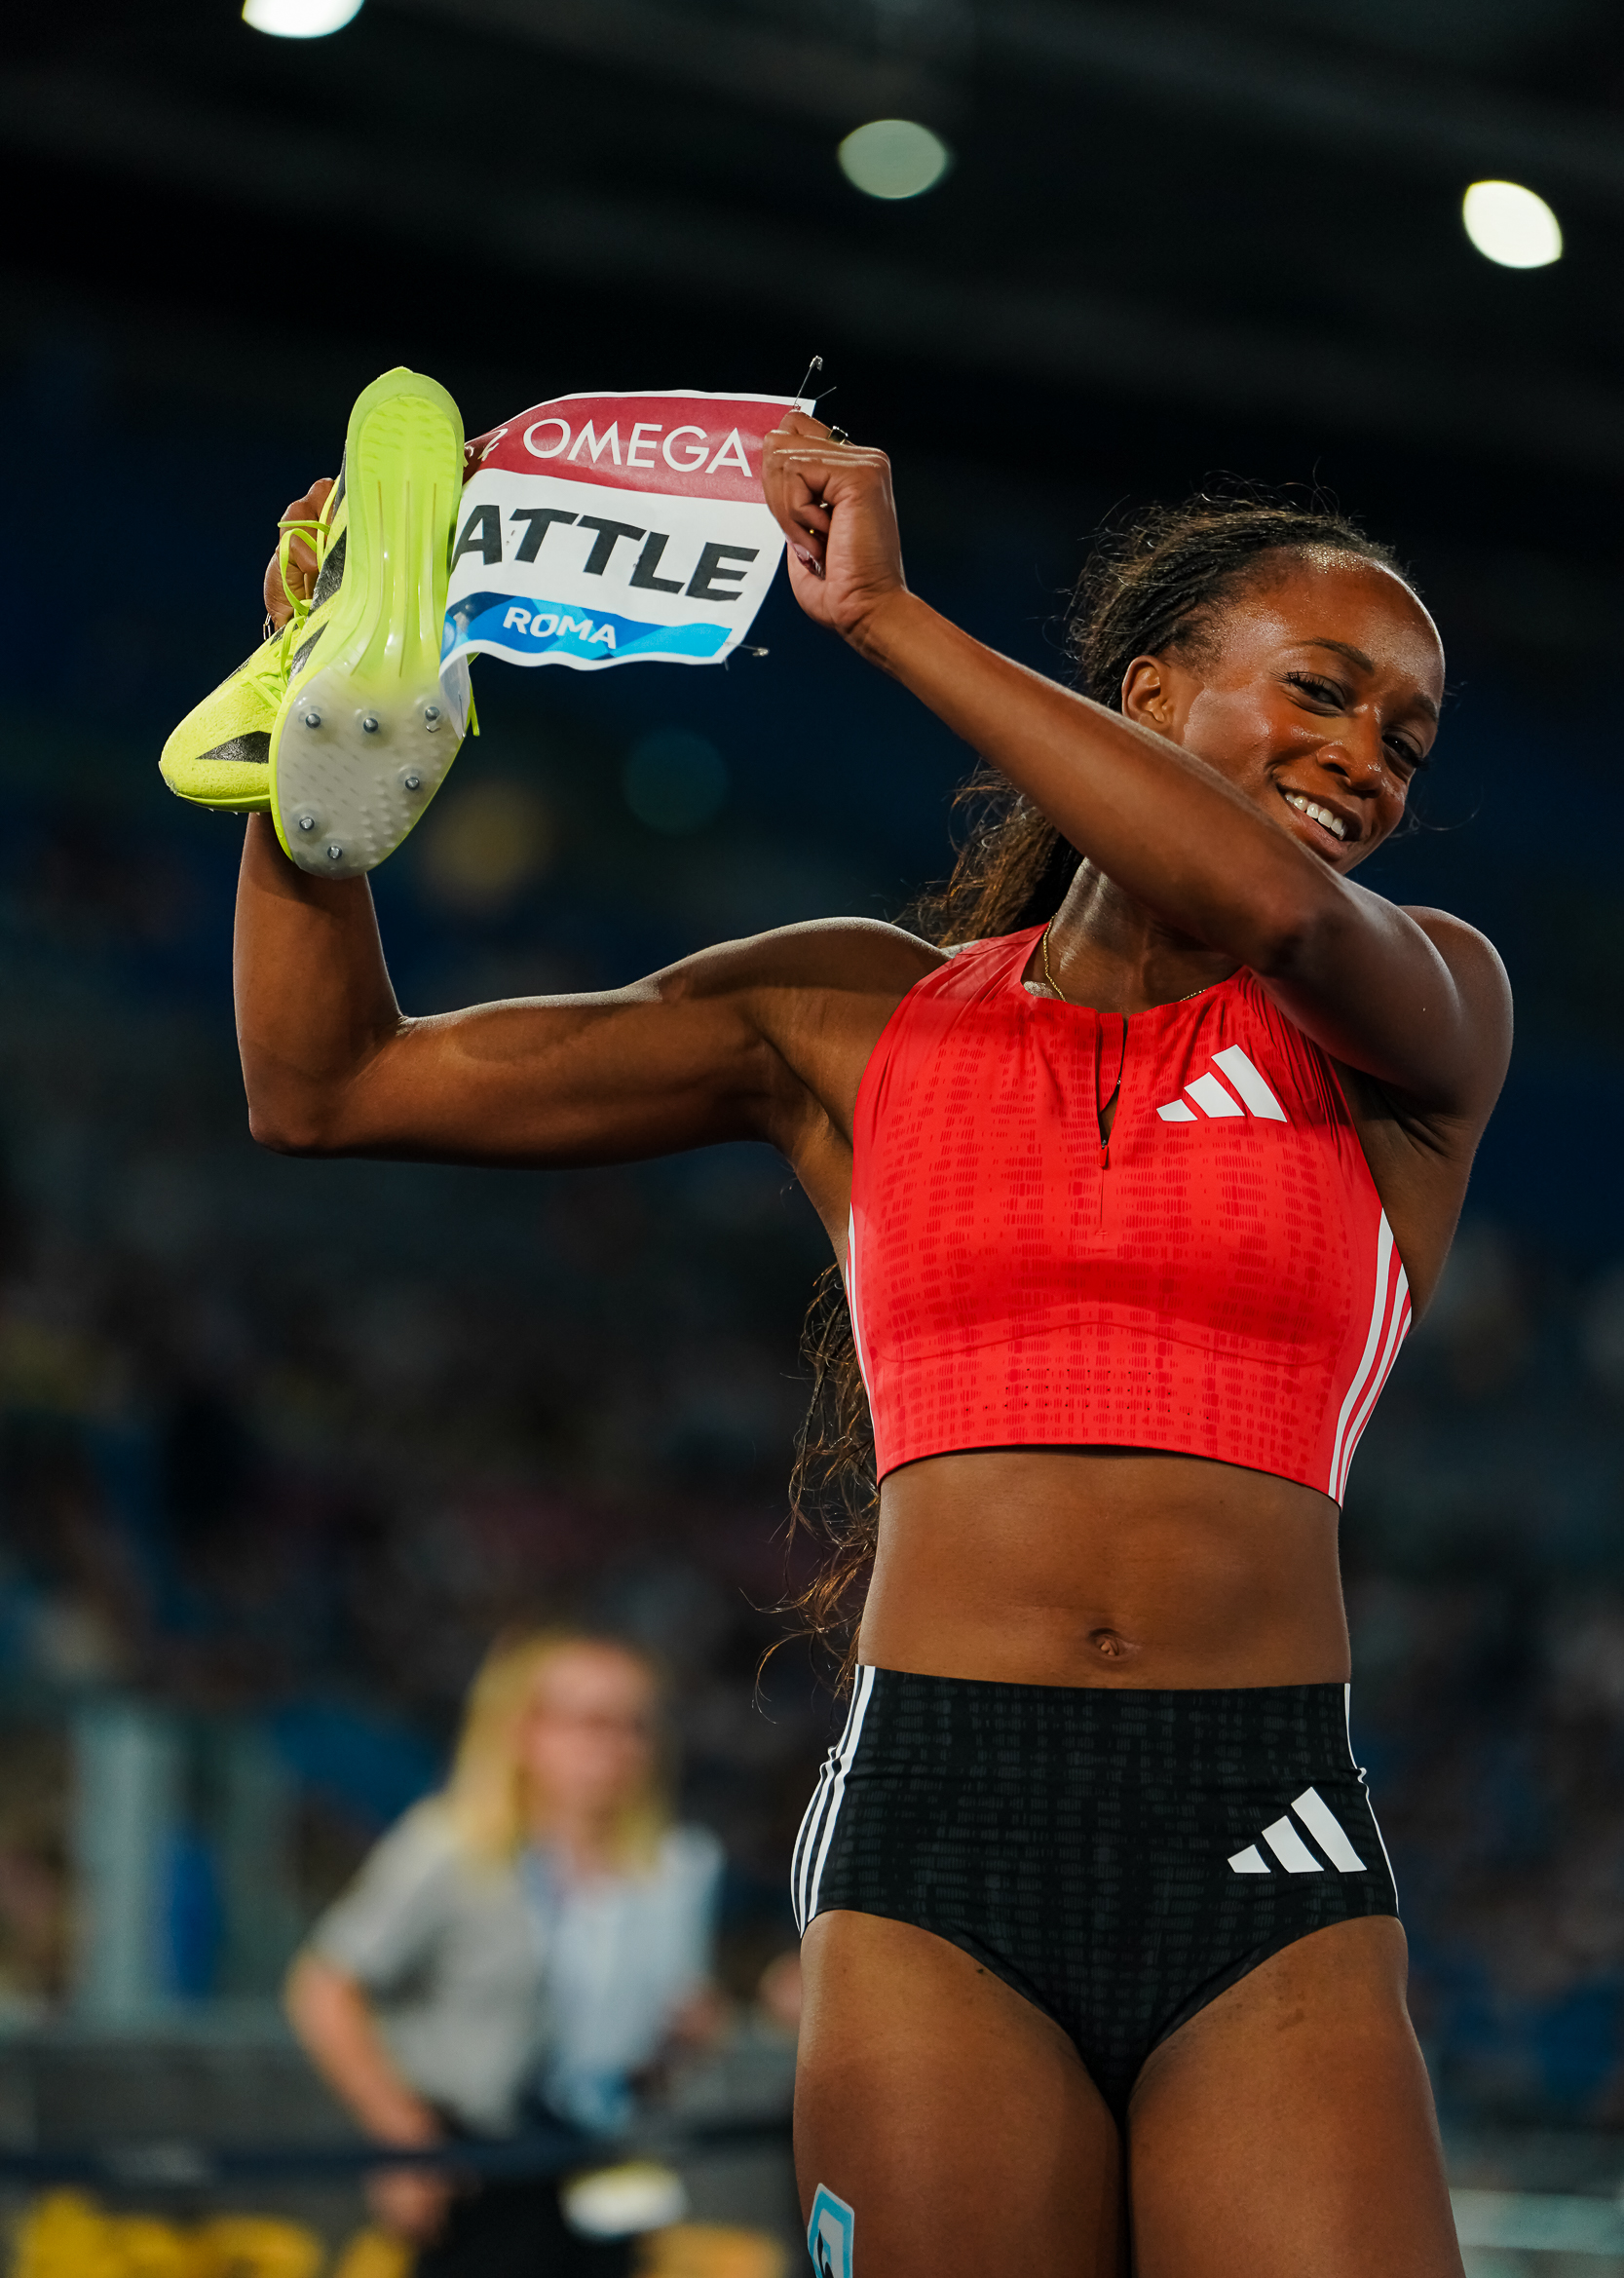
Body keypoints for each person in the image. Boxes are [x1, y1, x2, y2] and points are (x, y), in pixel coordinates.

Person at [239, 412, 1510, 2278]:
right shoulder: (850, 1018)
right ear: (1147, 691)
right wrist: (315, 773)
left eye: (1403, 738)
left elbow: (1269, 905)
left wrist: (886, 620)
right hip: (934, 1837)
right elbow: (330, 1088)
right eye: (1318, 691)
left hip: (1264, 1831)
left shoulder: (1424, 1011)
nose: (1363, 761)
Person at [284, 1631, 724, 2278]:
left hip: (602, 2157)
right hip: (476, 2165)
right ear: (523, 1731)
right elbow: (324, 1985)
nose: (616, 1747)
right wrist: (400, 2131)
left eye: (636, 1726)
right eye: (591, 1722)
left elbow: (661, 2043)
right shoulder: (451, 1849)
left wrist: (681, 2042)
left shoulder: (671, 1872)